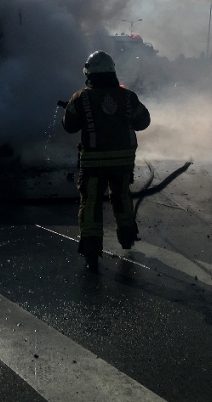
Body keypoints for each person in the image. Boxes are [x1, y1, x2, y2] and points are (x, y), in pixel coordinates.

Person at [61, 51, 151, 272]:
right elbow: (143, 121)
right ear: (112, 71)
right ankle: (128, 236)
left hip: (93, 162)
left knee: (91, 201)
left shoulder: (80, 98)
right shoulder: (128, 96)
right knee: (121, 195)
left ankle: (91, 249)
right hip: (123, 160)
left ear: (88, 72)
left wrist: (75, 114)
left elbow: (69, 126)